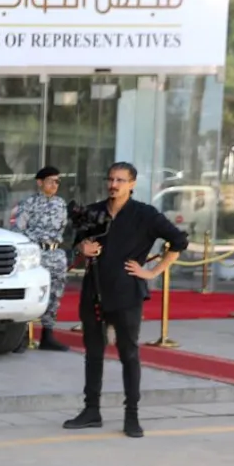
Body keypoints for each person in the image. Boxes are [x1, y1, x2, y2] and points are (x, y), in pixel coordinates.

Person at [62, 162, 188, 438]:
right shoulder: (92, 212)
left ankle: (132, 415)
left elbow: (179, 242)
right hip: (93, 291)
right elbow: (73, 244)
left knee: (128, 354)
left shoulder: (145, 215)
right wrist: (82, 247)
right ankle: (91, 410)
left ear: (132, 184)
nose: (114, 184)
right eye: (110, 179)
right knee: (93, 353)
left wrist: (152, 271)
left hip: (126, 294)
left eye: (120, 180)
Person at [9, 166, 71, 352]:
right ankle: (21, 337)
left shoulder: (61, 204)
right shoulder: (29, 203)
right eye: (51, 180)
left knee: (55, 295)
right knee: (32, 294)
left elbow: (62, 229)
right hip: (36, 255)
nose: (55, 184)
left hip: (56, 254)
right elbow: (18, 230)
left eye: (57, 181)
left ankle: (48, 335)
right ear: (40, 182)